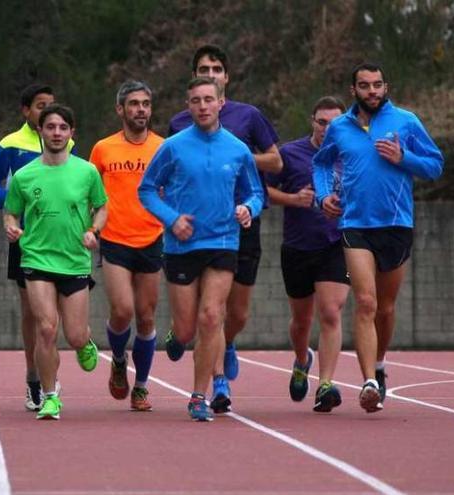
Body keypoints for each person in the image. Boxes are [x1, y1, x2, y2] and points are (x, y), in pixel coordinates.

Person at [313, 63, 443, 413]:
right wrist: (322, 196)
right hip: (355, 224)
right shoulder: (339, 127)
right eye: (364, 85)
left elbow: (435, 166)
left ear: (386, 87)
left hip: (396, 224)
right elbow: (321, 164)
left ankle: (380, 363)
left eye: (377, 85)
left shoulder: (406, 121)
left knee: (385, 308)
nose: (372, 91)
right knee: (366, 302)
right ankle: (369, 381)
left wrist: (404, 157)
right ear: (352, 89)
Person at [139, 77, 264, 421]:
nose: (203, 106)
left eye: (209, 99)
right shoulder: (173, 147)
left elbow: (256, 193)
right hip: (181, 245)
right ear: (188, 105)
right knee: (186, 329)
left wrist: (247, 210)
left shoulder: (238, 149)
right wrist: (171, 218)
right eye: (196, 101)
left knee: (212, 316)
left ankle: (198, 395)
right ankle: (176, 336)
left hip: (223, 241)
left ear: (221, 103)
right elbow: (147, 189)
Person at [168, 44, 282, 413]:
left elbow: (276, 161)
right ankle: (216, 382)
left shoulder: (248, 117)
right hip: (194, 226)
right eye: (204, 68)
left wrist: (235, 158)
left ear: (226, 78)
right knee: (208, 314)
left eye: (217, 68)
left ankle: (226, 344)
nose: (212, 73)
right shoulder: (179, 125)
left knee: (237, 314)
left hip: (240, 221)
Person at [3, 104, 107, 420]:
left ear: (72, 132)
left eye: (63, 127)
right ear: (40, 131)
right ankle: (50, 396)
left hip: (74, 261)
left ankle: (84, 342)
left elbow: (101, 207)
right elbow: (10, 210)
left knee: (74, 335)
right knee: (46, 329)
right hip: (36, 258)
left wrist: (94, 231)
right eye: (50, 127)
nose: (57, 133)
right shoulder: (24, 176)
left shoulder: (87, 172)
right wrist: (10, 225)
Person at [0, 84, 73, 411]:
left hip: (63, 240)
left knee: (58, 315)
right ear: (26, 111)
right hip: (27, 240)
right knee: (35, 313)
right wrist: (17, 205)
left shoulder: (66, 142)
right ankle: (35, 377)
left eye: (51, 106)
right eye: (40, 106)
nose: (46, 112)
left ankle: (49, 375)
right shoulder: (11, 144)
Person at [266, 96, 350, 413]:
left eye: (336, 123)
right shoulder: (290, 154)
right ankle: (303, 359)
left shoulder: (353, 155)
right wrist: (292, 198)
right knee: (302, 322)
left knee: (330, 311)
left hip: (337, 244)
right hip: (298, 246)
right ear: (312, 122)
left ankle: (325, 385)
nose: (328, 129)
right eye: (322, 122)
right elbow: (264, 192)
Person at [89, 80, 165, 412]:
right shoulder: (103, 149)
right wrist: (89, 228)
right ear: (121, 109)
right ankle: (119, 358)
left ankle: (142, 387)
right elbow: (90, 193)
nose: (140, 110)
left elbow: (174, 189)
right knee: (122, 311)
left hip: (152, 237)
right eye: (133, 104)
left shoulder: (164, 147)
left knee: (146, 318)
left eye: (145, 104)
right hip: (115, 238)